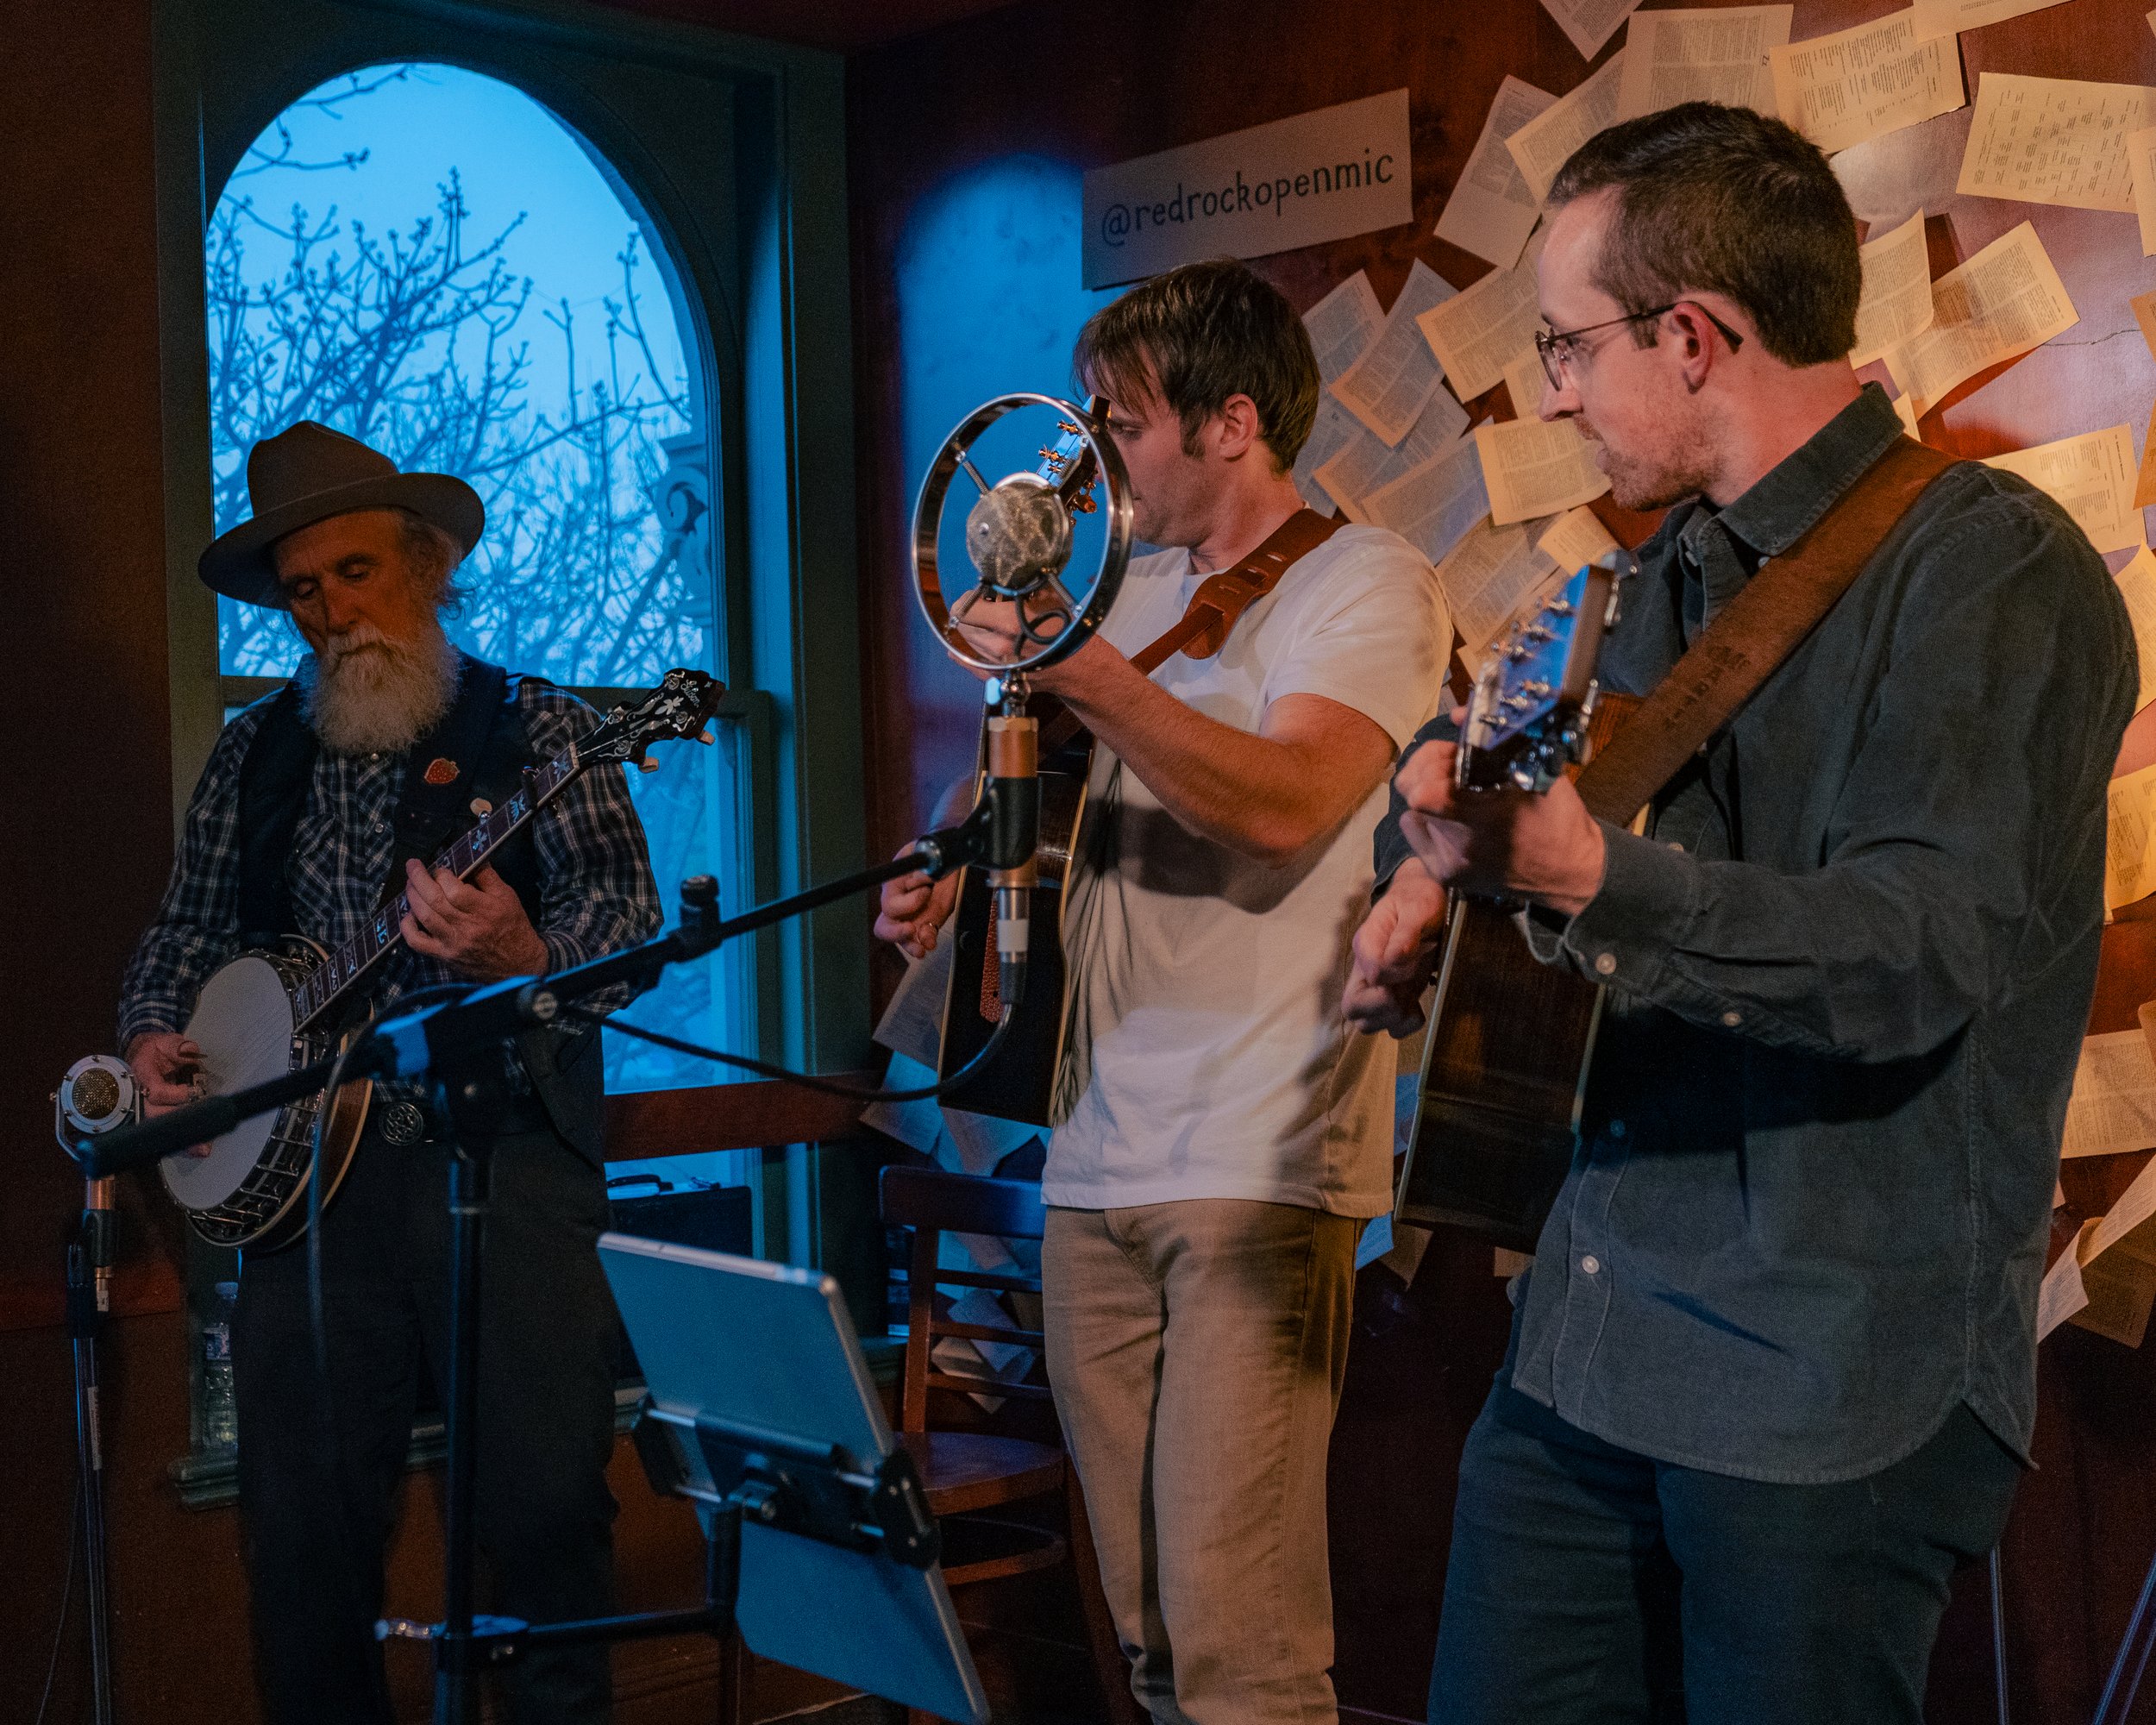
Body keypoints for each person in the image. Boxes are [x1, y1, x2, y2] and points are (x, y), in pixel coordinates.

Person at [1343, 104, 2136, 1724]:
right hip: (1583, 1347)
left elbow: (1915, 953)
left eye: (1565, 348)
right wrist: (1430, 856)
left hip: (1825, 1379)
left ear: (1694, 334)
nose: (1555, 393)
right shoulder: (1651, 587)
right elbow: (1561, 858)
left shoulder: (1990, 570)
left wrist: (1573, 874)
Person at [878, 259, 1450, 1722]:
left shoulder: (1365, 580)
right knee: (1146, 1640)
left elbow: (1285, 800)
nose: (1093, 453)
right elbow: (1046, 782)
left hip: (1253, 1157)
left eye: (1122, 421)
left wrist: (1082, 666)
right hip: (1094, 1155)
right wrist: (946, 857)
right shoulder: (1127, 592)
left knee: (1237, 1648)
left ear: (1231, 421)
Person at [118, 422, 661, 1725]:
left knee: (543, 1510)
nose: (330, 612)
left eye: (356, 573)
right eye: (304, 591)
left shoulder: (541, 729)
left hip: (505, 1165)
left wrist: (528, 947)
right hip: (305, 1197)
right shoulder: (253, 757)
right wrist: (151, 1034)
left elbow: (630, 919)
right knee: (302, 1530)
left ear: (427, 567)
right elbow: (184, 935)